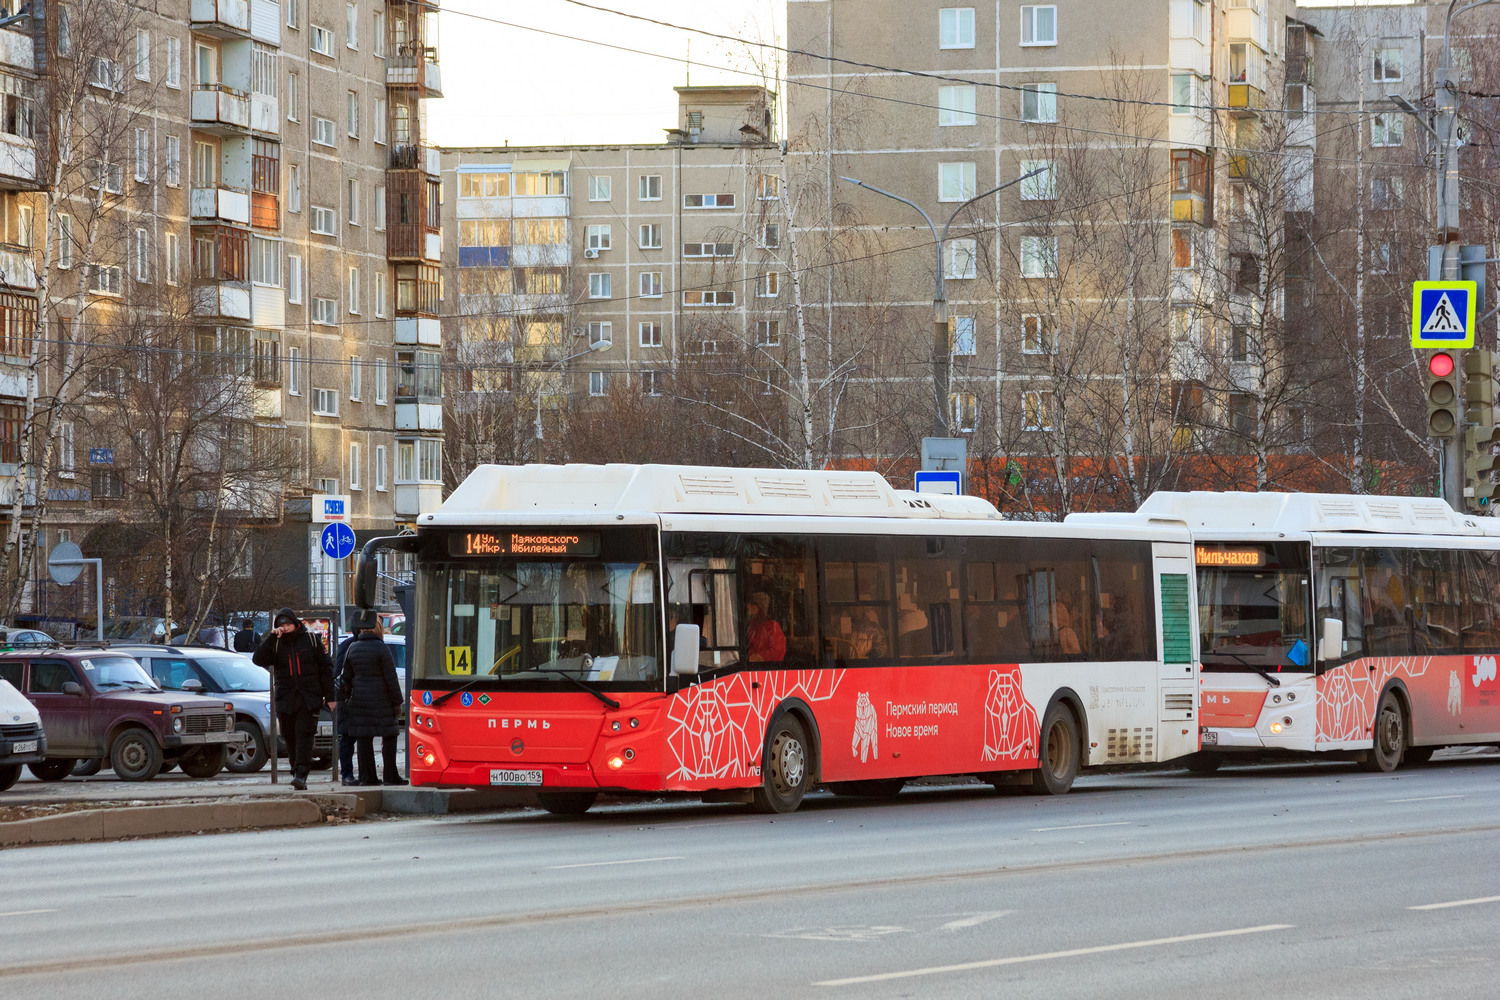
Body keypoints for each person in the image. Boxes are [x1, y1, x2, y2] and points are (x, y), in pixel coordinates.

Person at [253, 607, 336, 790]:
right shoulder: (276, 643)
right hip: (285, 698)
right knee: (289, 736)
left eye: (288, 624)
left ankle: (301, 774)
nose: (285, 628)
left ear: (296, 624)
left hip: (309, 698)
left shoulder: (311, 640)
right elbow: (258, 659)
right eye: (282, 625)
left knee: (304, 736)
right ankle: (295, 769)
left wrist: (330, 697)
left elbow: (326, 669)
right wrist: (273, 637)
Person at [338, 612, 407, 786]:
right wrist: (397, 702)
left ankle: (367, 777)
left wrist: (347, 700)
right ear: (379, 629)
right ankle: (391, 776)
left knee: (364, 739)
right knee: (390, 736)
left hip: (359, 703)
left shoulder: (353, 648)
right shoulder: (381, 648)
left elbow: (345, 678)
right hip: (382, 702)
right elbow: (391, 678)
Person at [745, 591, 786, 663]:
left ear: (757, 607)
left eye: (751, 604)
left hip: (767, 669)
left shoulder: (773, 626)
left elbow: (777, 652)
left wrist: (759, 657)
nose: (748, 606)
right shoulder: (751, 626)